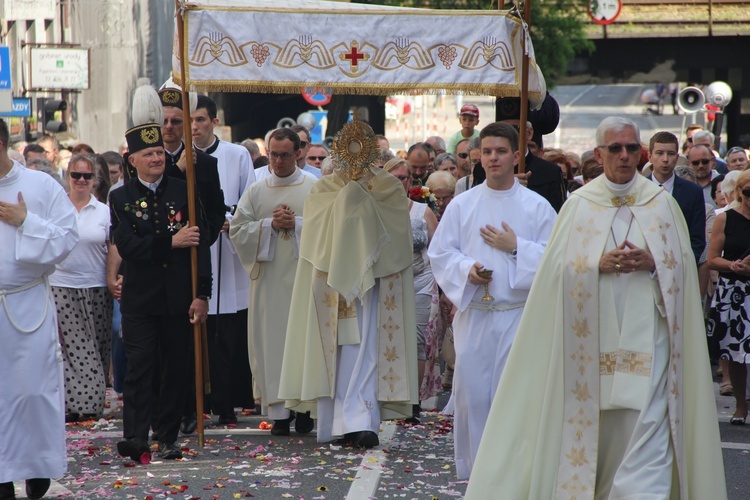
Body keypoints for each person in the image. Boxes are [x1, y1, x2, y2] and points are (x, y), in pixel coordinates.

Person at [466, 117, 726, 499]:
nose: (624, 156)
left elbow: (685, 266)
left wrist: (654, 262)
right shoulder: (579, 205)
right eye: (615, 148)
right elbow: (553, 271)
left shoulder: (661, 204)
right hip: (590, 343)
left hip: (650, 341)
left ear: (641, 153)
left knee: (647, 426)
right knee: (595, 431)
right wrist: (594, 265)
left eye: (631, 148)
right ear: (599, 153)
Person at [278, 119, 418, 449]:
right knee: (337, 354)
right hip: (331, 286)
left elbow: (398, 234)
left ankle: (363, 421)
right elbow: (314, 239)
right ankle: (338, 422)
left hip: (373, 287)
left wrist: (359, 202)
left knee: (368, 351)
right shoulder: (324, 189)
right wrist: (347, 202)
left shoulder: (388, 188)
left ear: (373, 152)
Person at [428, 121, 556, 480]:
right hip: (475, 317)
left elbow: (556, 257)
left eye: (501, 151)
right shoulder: (462, 205)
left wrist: (516, 249)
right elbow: (441, 254)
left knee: (513, 399)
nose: (493, 158)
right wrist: (467, 270)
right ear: (478, 157)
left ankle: (512, 475)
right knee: (474, 399)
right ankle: (477, 474)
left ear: (517, 155)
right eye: (487, 151)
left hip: (519, 316)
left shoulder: (537, 207)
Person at [111, 116, 212, 462]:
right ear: (132, 160)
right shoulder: (121, 198)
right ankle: (136, 437)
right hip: (140, 298)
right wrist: (171, 241)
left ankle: (167, 436)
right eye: (149, 154)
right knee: (139, 367)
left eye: (159, 153)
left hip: (178, 297)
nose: (156, 159)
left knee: (174, 368)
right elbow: (128, 246)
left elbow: (201, 246)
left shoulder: (182, 190)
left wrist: (203, 294)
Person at [0, 118, 79, 500]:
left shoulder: (40, 185)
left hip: (26, 302)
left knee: (32, 391)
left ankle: (36, 466)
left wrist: (26, 221)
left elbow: (68, 237)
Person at [229, 128, 317, 436]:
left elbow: (328, 229)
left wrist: (298, 225)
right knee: (272, 345)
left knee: (303, 342)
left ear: (298, 154)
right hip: (268, 283)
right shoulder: (256, 189)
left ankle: (305, 410)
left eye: (284, 155)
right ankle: (279, 414)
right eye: (273, 154)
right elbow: (238, 230)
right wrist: (268, 225)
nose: (277, 161)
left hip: (304, 280)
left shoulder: (313, 187)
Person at [192, 94, 256, 426]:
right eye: (188, 120)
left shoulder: (237, 155)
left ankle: (227, 401)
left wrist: (234, 222)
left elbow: (250, 199)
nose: (194, 127)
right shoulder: (179, 158)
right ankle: (197, 400)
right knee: (197, 332)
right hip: (194, 251)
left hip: (227, 250)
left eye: (200, 119)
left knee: (228, 332)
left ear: (214, 122)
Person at [50, 153, 113, 422]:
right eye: (76, 175)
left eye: (87, 175)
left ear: (95, 179)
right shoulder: (56, 208)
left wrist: (113, 278)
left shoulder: (104, 211)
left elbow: (114, 248)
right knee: (75, 349)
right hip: (61, 286)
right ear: (68, 177)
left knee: (97, 348)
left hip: (97, 286)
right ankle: (79, 405)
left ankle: (91, 401)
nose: (81, 180)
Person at [384, 157, 440, 414]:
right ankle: (389, 396)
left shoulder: (422, 211)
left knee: (417, 340)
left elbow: (440, 249)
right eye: (393, 178)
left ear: (411, 181)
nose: (399, 183)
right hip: (388, 281)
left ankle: (414, 402)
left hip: (420, 280)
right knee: (389, 338)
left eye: (403, 178)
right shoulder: (376, 210)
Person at [708, 170, 750, 425]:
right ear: (739, 193)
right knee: (734, 352)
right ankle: (741, 405)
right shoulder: (725, 219)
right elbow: (712, 258)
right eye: (747, 193)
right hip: (733, 292)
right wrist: (733, 266)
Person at [647, 131, 706, 264]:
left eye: (671, 154)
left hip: (681, 266)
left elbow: (697, 238)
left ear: (677, 157)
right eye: (660, 153)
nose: (665, 159)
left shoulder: (693, 192)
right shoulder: (638, 190)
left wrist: (683, 265)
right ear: (650, 156)